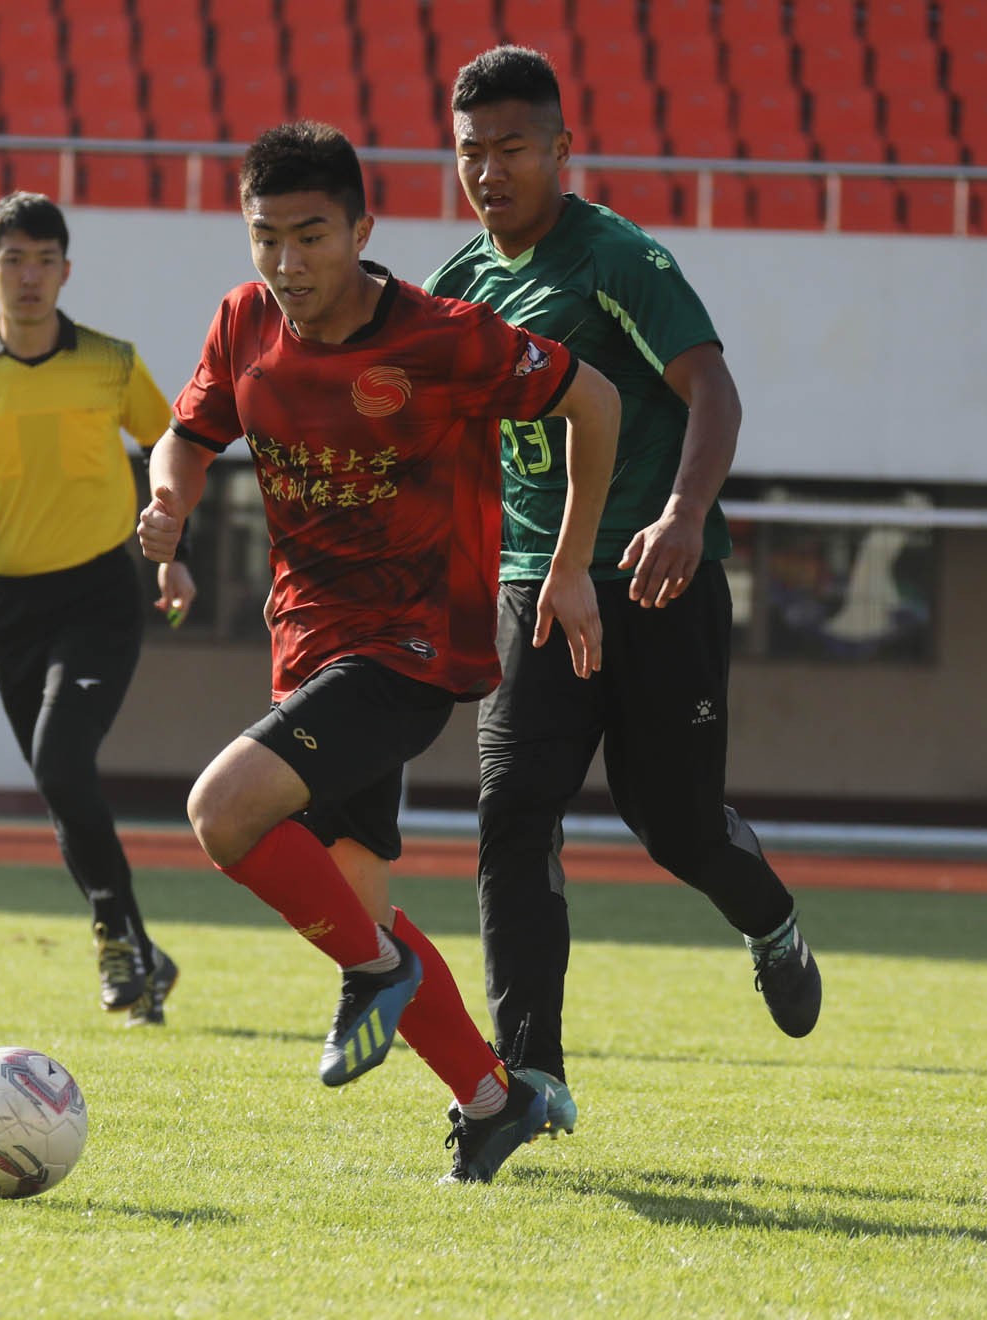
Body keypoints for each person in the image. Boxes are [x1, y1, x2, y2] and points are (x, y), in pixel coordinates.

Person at [137, 122, 622, 1183]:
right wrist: (167, 496)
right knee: (354, 909)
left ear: (365, 227)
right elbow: (188, 429)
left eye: (312, 236)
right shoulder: (244, 322)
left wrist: (572, 565)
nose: (288, 263)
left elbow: (598, 398)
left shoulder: (446, 338)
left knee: (222, 812)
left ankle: (378, 975)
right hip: (306, 647)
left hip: (412, 650)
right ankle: (494, 1102)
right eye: (267, 237)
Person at [422, 46, 822, 1113]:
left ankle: (771, 921)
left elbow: (714, 393)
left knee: (677, 827)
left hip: (652, 586)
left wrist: (683, 518)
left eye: (513, 148)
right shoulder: (455, 289)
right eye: (472, 152)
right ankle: (531, 1074)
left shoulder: (616, 260)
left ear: (561, 149)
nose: (491, 170)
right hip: (536, 596)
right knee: (513, 813)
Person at [0, 192, 192, 1025]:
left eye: (44, 260)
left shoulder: (111, 362)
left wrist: (179, 562)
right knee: (62, 786)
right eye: (14, 260)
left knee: (62, 766)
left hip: (100, 593)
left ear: (66, 270)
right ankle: (144, 956)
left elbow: (173, 454)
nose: (29, 277)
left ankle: (110, 937)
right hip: (9, 604)